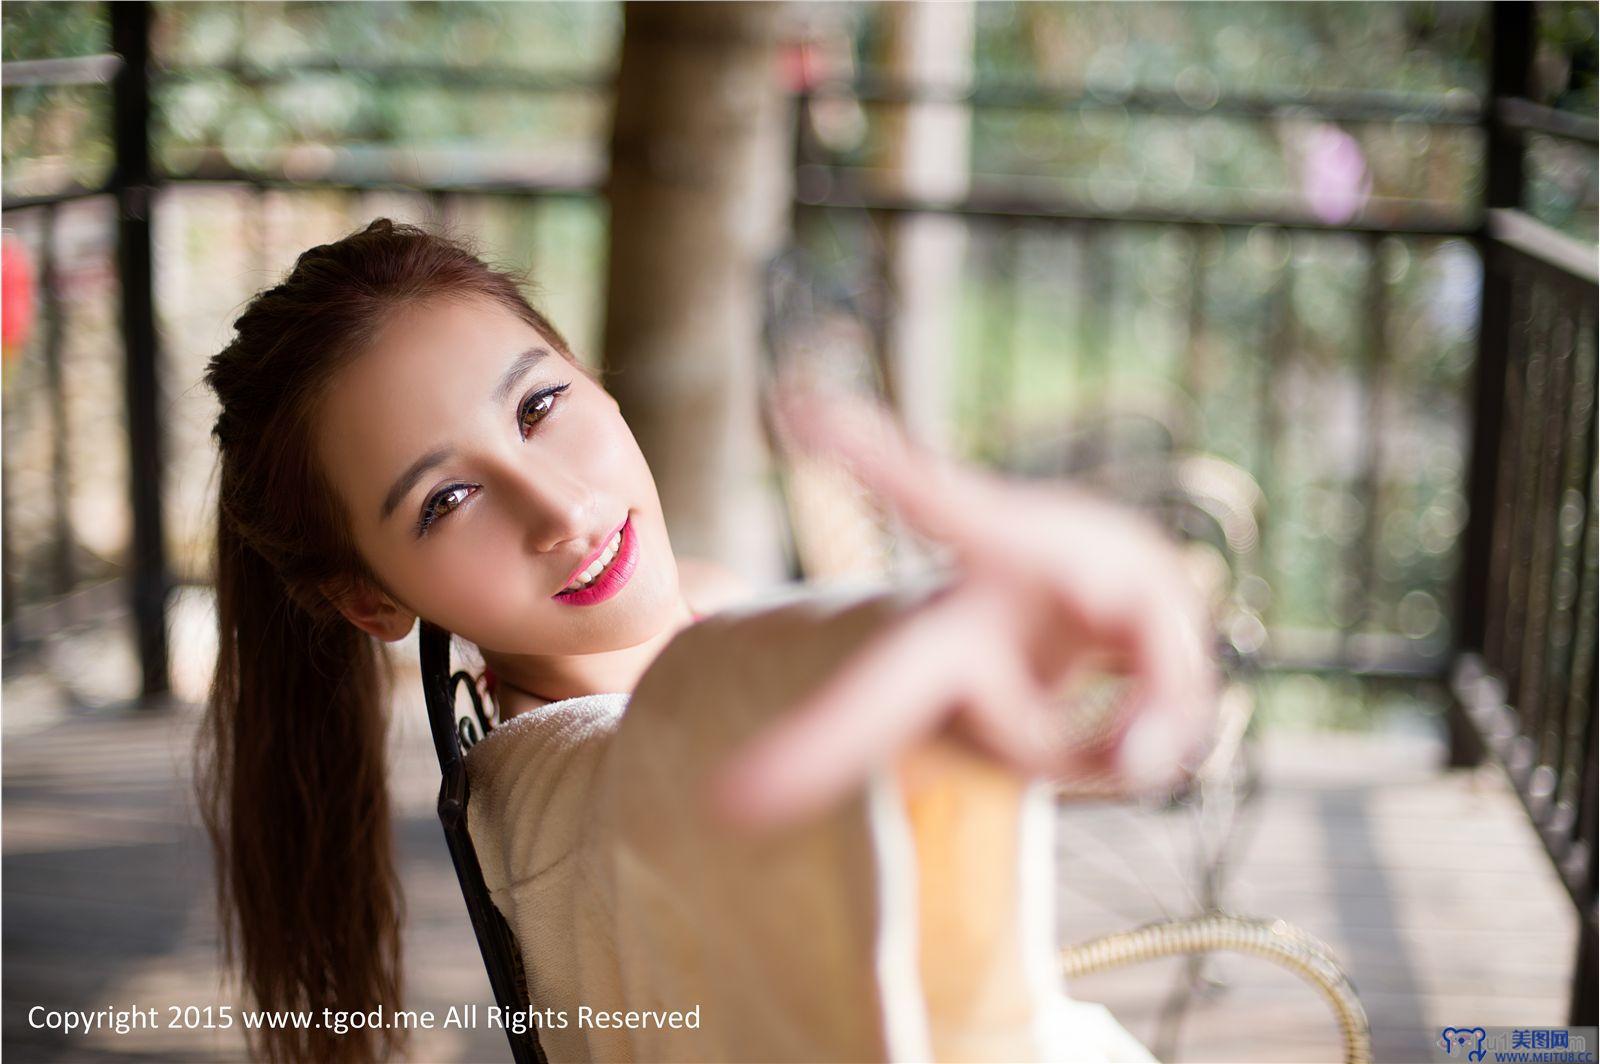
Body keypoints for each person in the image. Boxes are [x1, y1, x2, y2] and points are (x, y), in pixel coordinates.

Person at [198, 219, 1214, 1064]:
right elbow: (684, 751)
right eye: (446, 498)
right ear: (370, 599)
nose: (561, 509)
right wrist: (951, 621)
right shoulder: (561, 799)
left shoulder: (705, 602)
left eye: (540, 404)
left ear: (589, 374)